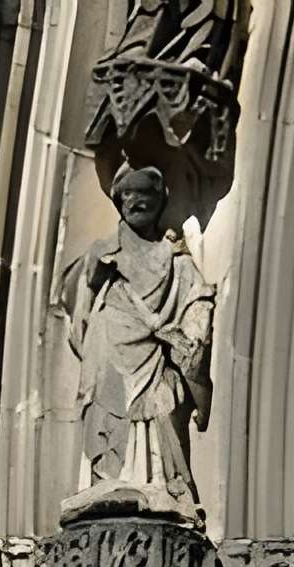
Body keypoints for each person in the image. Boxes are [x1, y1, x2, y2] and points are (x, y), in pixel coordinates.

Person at [59, 162, 214, 517]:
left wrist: (193, 368)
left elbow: (196, 329)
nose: (136, 200)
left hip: (155, 371)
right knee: (107, 426)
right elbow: (77, 314)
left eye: (145, 192)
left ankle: (162, 491)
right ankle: (108, 489)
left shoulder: (179, 264)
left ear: (160, 201)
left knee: (159, 423)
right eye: (127, 194)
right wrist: (92, 277)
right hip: (109, 366)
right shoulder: (102, 257)